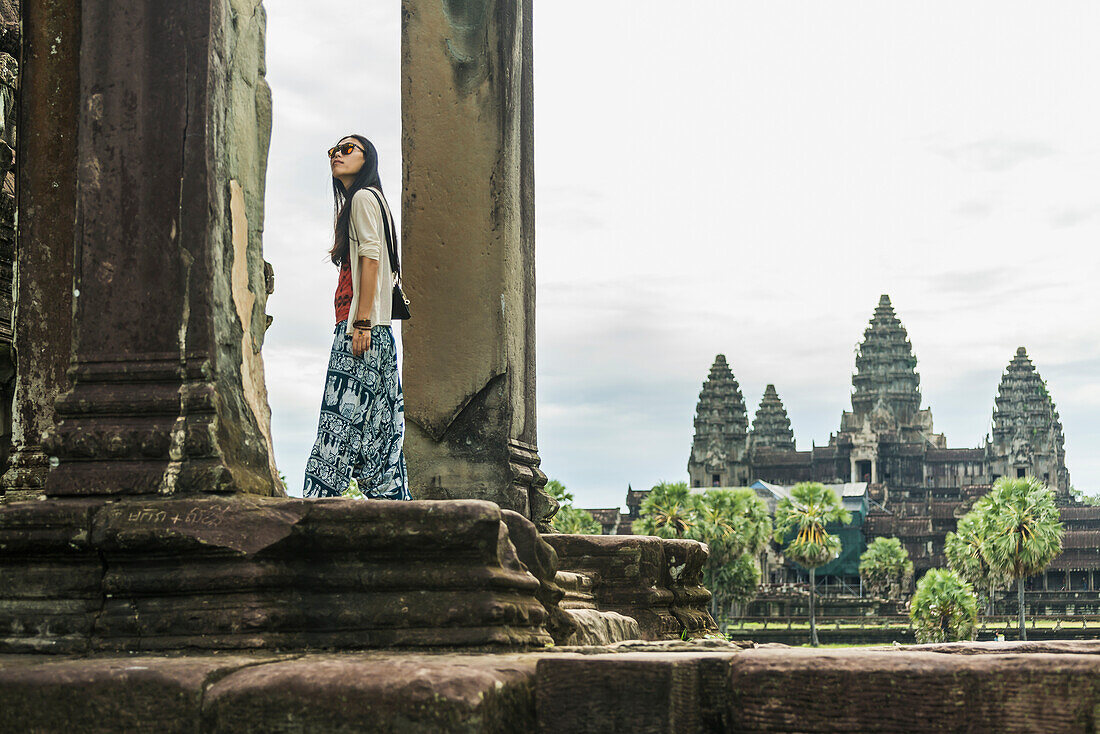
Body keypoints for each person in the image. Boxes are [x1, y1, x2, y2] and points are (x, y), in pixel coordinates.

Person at [302, 134, 410, 500]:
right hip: (378, 335)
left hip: (360, 331)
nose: (337, 155)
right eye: (333, 150)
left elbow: (371, 256)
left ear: (368, 159)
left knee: (337, 423)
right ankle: (397, 511)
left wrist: (360, 322)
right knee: (382, 434)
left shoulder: (363, 198)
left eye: (348, 149)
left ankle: (314, 511)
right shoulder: (369, 200)